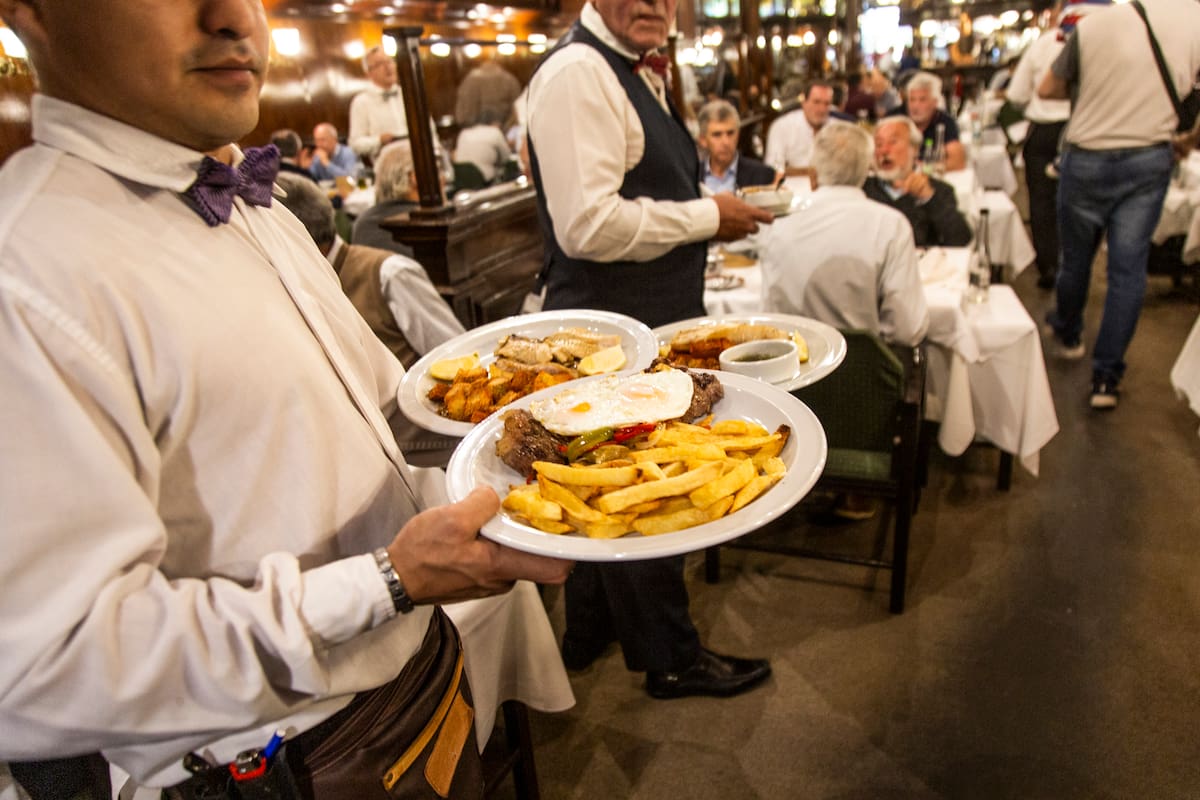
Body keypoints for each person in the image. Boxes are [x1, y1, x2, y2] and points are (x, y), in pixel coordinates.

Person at [0, 1, 571, 796]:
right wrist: (387, 581)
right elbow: (46, 674)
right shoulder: (26, 273)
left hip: (415, 684)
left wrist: (573, 423)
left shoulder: (254, 202)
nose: (235, 17)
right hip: (283, 763)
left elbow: (390, 412)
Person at [526, 0, 774, 699]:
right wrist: (708, 216)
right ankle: (670, 657)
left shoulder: (637, 71)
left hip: (640, 318)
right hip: (614, 329)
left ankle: (590, 632)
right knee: (645, 488)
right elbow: (586, 225)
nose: (654, 3)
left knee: (607, 475)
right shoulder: (580, 71)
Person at [1038, 0, 1200, 409]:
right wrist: (1187, 140)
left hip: (1088, 154)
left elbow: (1048, 88)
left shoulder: (1094, 25)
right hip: (1148, 157)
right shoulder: (1194, 22)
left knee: (1076, 260)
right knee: (1127, 271)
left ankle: (1069, 333)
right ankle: (1105, 380)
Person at [277, 172, 464, 467]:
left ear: (293, 242)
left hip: (423, 445)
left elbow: (459, 354)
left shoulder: (388, 272)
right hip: (352, 450)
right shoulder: (287, 297)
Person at [760, 121, 930, 348]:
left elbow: (770, 313)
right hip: (861, 373)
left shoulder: (778, 222)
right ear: (867, 168)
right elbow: (907, 329)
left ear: (814, 170)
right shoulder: (890, 224)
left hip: (790, 369)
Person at [1006, 1, 1109, 290]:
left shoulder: (1044, 45)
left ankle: (1050, 265)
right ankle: (1076, 269)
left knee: (1042, 203)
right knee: (1082, 204)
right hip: (1089, 131)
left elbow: (1017, 95)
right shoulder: (1109, 45)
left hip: (1047, 131)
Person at [864, 115, 972, 248]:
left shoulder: (938, 191)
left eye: (893, 142)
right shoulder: (863, 190)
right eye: (879, 144)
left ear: (914, 149)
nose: (884, 151)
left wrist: (929, 199)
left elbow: (960, 239)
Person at [352, 139, 422, 255]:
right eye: (437, 169)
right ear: (414, 178)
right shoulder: (425, 222)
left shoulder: (362, 224)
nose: (443, 178)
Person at [697, 99, 779, 194]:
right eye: (717, 135)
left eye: (730, 133)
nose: (726, 142)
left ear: (738, 135)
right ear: (703, 140)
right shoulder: (692, 176)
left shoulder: (763, 175)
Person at [764, 79, 835, 179]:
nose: (822, 109)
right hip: (791, 189)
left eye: (826, 104)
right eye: (816, 102)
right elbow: (773, 168)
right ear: (804, 102)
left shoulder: (838, 129)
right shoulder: (782, 126)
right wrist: (807, 172)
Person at [348, 44, 408, 161]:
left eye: (390, 61)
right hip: (387, 168)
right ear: (369, 73)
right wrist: (379, 140)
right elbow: (355, 144)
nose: (388, 67)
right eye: (380, 64)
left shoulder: (408, 94)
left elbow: (430, 130)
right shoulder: (362, 102)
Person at [904, 72, 967, 172]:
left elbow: (958, 161)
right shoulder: (899, 120)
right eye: (912, 100)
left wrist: (925, 168)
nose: (915, 106)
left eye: (922, 100)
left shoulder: (945, 123)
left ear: (935, 102)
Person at [454, 57, 522, 129]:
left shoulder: (468, 81)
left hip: (473, 133)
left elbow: (461, 116)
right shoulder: (510, 80)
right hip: (503, 132)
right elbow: (518, 111)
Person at [453, 108, 513, 184]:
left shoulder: (463, 133)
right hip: (485, 181)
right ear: (495, 123)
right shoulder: (494, 131)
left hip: (461, 180)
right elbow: (506, 158)